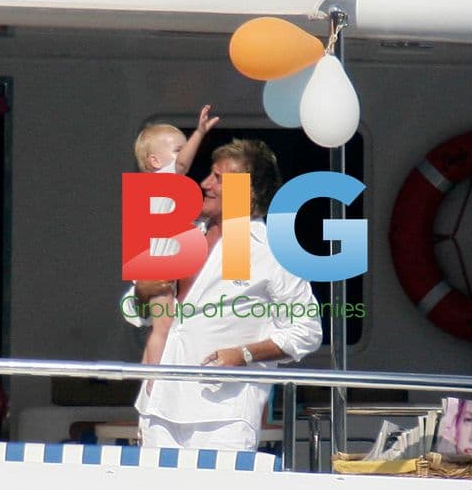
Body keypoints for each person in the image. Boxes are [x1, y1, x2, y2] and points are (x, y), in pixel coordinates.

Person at [122, 138, 323, 450]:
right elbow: (134, 311)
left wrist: (243, 354)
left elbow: (307, 331)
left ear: (249, 191)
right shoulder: (183, 232)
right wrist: (141, 293)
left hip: (224, 414)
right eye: (208, 175)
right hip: (158, 405)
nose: (204, 184)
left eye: (218, 179)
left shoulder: (272, 251)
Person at [133, 105, 219, 367]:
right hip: (159, 267)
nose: (185, 158)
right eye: (177, 150)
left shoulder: (164, 193)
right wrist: (200, 132)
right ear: (155, 162)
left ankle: (150, 374)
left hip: (158, 265)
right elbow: (181, 165)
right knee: (163, 328)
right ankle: (154, 379)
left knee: (161, 327)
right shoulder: (161, 181)